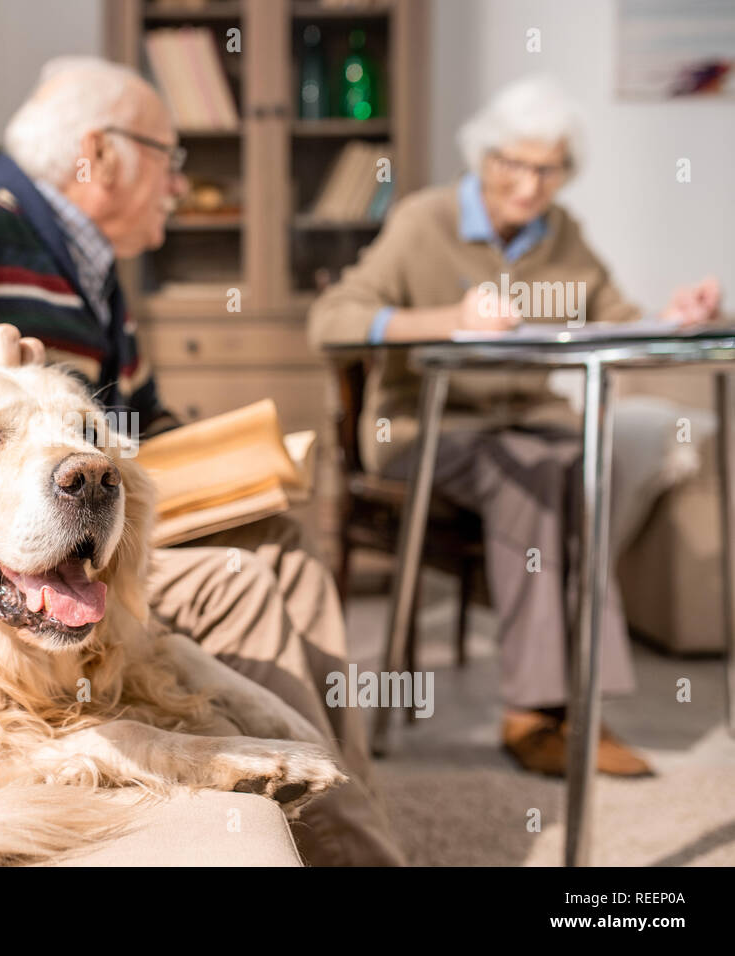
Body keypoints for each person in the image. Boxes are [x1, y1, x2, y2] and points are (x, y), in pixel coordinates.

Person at [0, 56, 403, 865]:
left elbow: (139, 423)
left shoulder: (98, 275)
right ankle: (348, 849)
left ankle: (345, 805)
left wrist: (239, 458)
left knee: (287, 544)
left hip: (71, 520)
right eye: (169, 158)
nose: (180, 186)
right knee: (243, 584)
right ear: (100, 156)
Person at [307, 75, 723, 778]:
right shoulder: (423, 221)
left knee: (587, 466)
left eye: (547, 169)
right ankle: (538, 713)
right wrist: (449, 321)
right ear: (484, 158)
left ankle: (573, 705)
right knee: (532, 479)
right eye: (514, 165)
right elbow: (333, 321)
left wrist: (680, 314)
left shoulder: (563, 235)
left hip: (529, 425)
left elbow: (619, 319)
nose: (529, 186)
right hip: (423, 431)